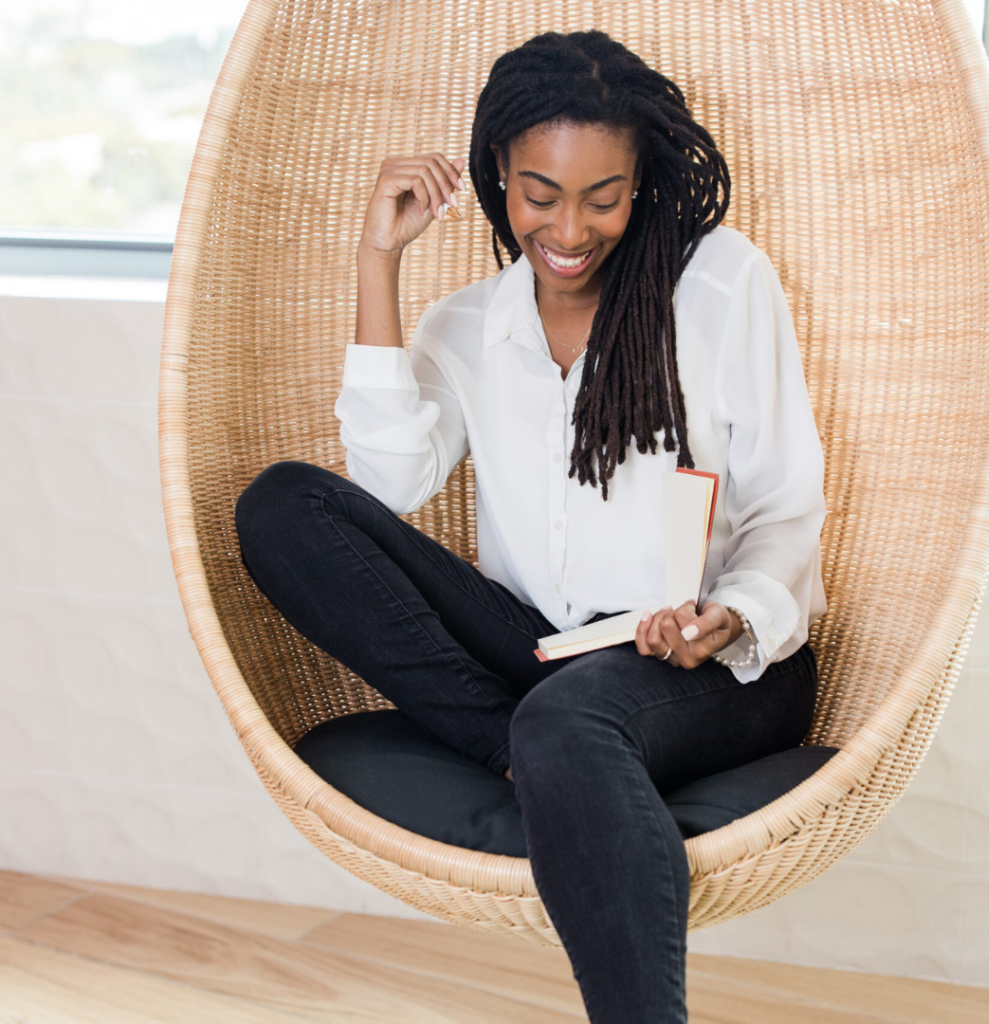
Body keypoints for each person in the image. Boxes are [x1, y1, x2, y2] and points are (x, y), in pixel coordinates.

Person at [234, 29, 827, 1024]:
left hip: (711, 667)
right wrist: (378, 256)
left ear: (640, 185)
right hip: (546, 652)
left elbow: (783, 504)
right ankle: (503, 736)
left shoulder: (719, 284)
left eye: (604, 194)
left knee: (570, 718)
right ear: (496, 178)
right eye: (539, 192)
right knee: (285, 505)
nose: (571, 226)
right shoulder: (470, 322)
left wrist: (726, 617)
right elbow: (388, 479)